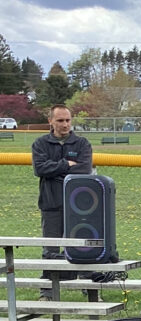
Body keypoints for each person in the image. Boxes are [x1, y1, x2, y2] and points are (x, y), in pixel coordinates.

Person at [31, 104, 93, 296]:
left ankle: (89, 288)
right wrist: (66, 164)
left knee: (83, 247)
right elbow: (40, 169)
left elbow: (84, 169)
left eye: (67, 120)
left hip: (79, 207)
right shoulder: (40, 144)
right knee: (50, 250)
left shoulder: (82, 144)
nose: (65, 124)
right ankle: (47, 293)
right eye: (60, 120)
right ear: (51, 121)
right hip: (51, 204)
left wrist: (55, 170)